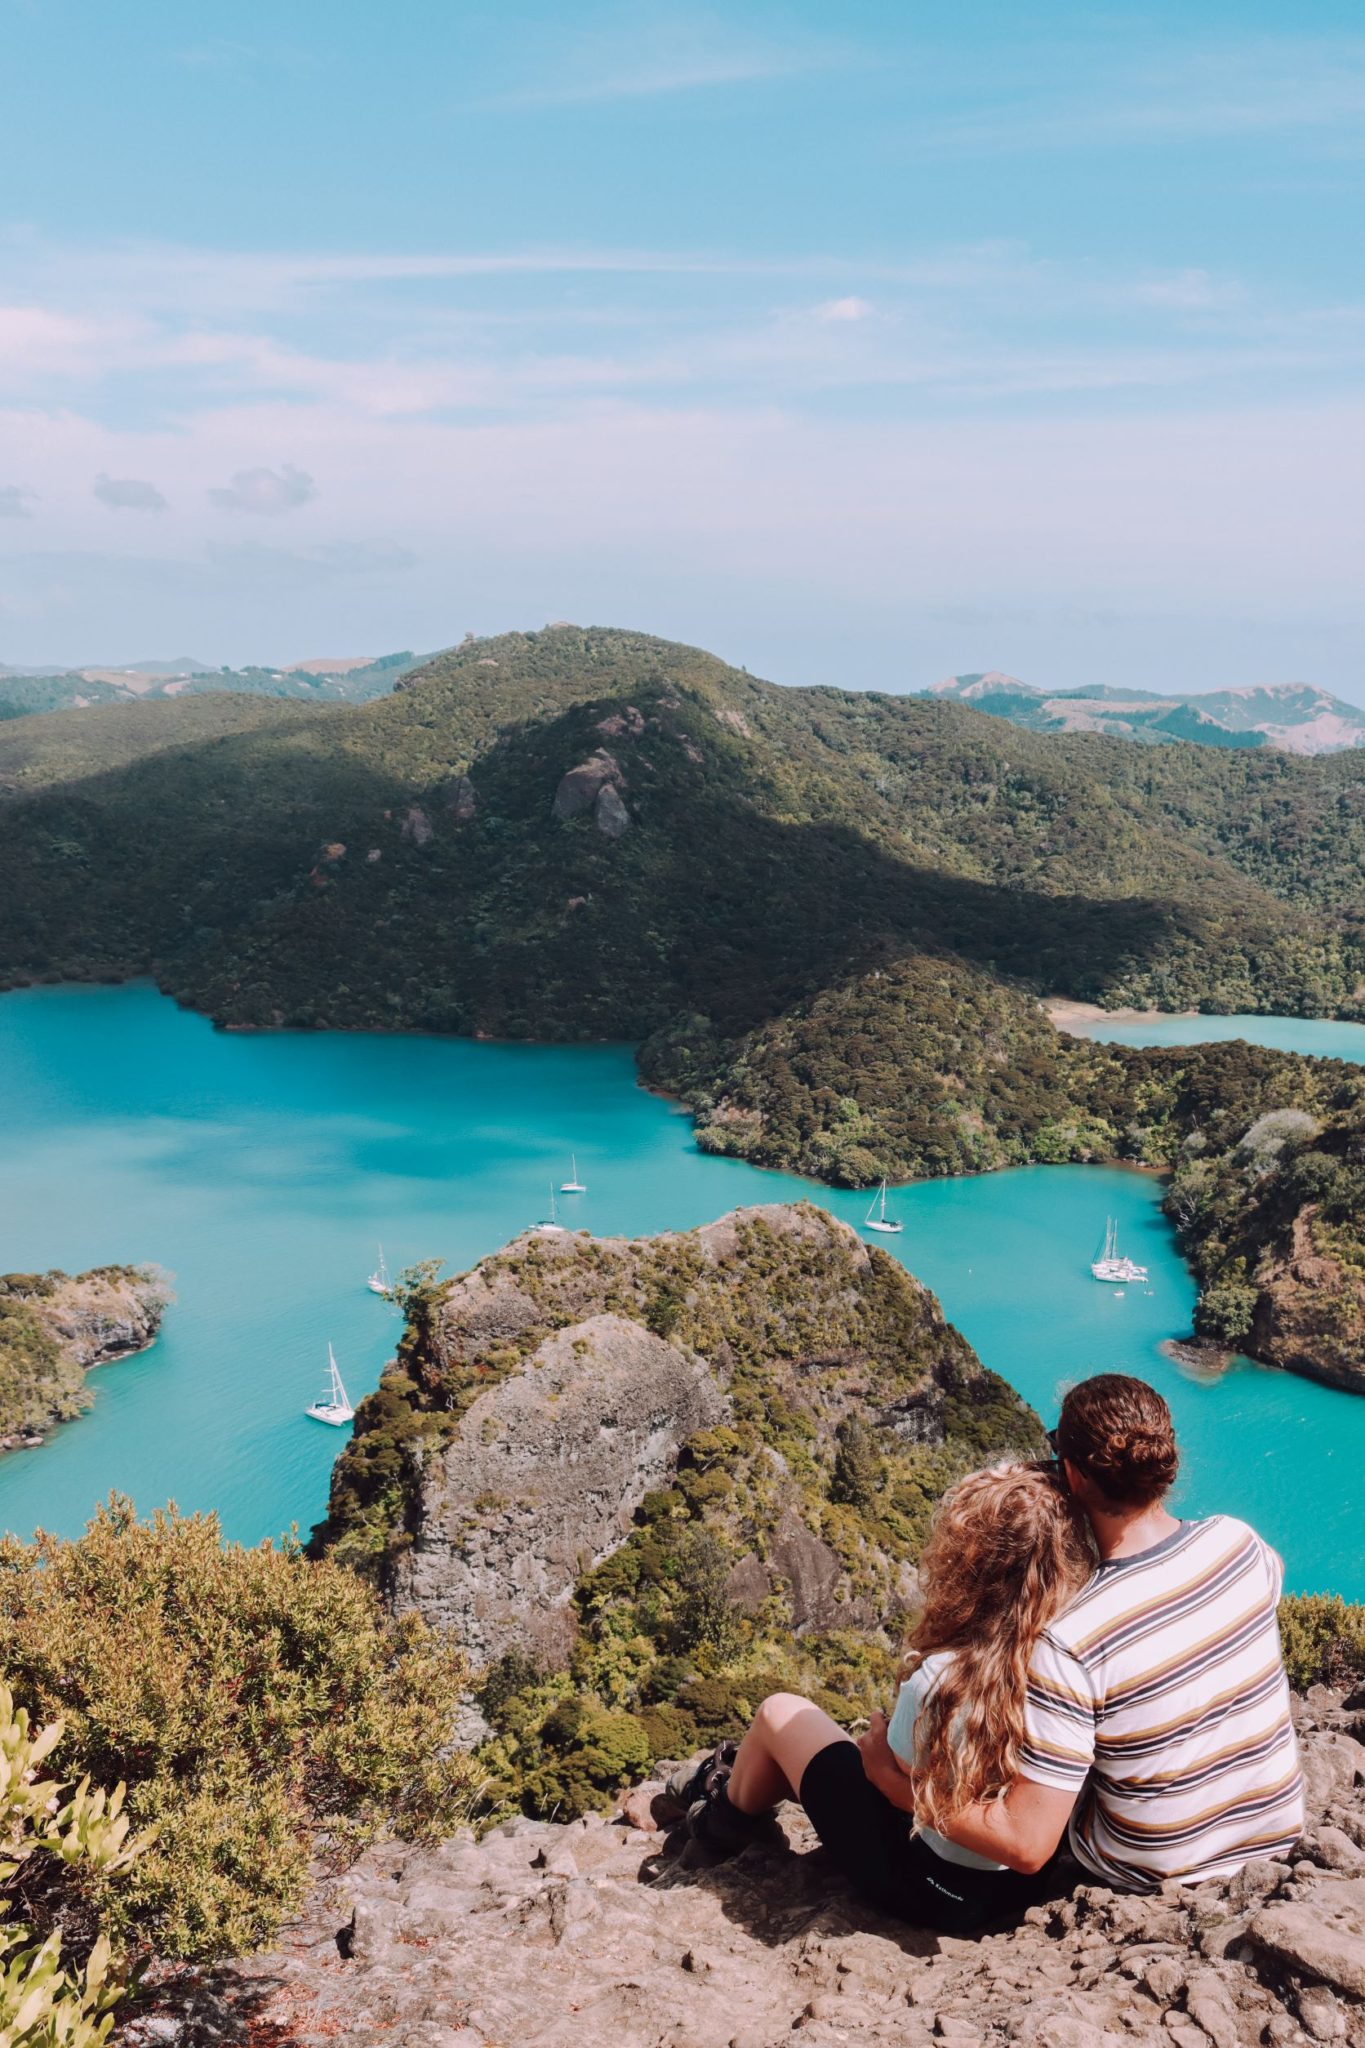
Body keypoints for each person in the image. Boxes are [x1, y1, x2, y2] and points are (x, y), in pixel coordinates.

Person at [859, 1373, 1306, 1890]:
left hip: (1158, 1874)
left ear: (1072, 1474)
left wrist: (901, 1789)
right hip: (1276, 1841)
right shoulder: (1240, 1544)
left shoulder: (1072, 1640)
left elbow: (1027, 1845)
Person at [667, 1461, 1094, 1933]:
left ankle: (718, 1816)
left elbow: (891, 1791)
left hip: (929, 1891)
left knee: (780, 1713)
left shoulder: (941, 1680)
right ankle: (726, 1786)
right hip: (1021, 1893)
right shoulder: (1078, 1664)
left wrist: (879, 1764)